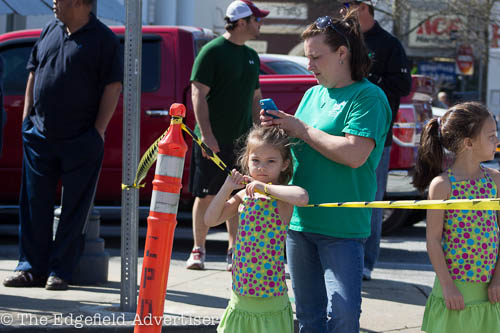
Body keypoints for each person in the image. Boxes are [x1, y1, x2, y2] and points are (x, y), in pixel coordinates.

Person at [261, 10, 391, 332]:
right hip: (300, 223)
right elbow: (300, 147)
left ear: (343, 53)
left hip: (343, 228)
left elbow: (355, 154)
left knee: (344, 317)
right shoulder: (312, 94)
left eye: (316, 57)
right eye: (308, 58)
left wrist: (301, 128)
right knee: (308, 318)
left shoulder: (368, 97)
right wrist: (278, 132)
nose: (309, 66)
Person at [2, 0, 122, 291]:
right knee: (33, 206)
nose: (54, 2)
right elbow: (34, 72)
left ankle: (60, 271)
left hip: (81, 139)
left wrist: (97, 131)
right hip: (39, 137)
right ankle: (30, 268)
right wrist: (27, 120)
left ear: (81, 3)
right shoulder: (49, 31)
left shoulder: (104, 39)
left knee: (74, 210)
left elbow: (113, 86)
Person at [186, 0, 269, 271]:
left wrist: (260, 135)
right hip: (213, 142)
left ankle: (234, 251)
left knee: (239, 194)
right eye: (257, 19)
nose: (260, 24)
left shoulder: (251, 56)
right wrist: (207, 136)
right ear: (242, 22)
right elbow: (198, 94)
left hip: (242, 143)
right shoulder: (212, 51)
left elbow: (255, 98)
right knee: (207, 195)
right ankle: (198, 249)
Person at [204, 125, 309, 333]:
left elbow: (302, 197)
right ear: (247, 161)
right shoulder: (244, 196)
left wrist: (264, 188)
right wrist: (227, 187)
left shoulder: (281, 196)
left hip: (270, 295)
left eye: (271, 161)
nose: (262, 167)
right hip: (241, 292)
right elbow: (210, 219)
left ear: (284, 164)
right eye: (256, 161)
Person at [412, 102, 500, 332]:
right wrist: (448, 286)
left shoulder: (496, 181)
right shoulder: (442, 185)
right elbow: (432, 240)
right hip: (454, 292)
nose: (497, 141)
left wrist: (498, 279)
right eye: (491, 136)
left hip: (491, 290)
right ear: (469, 143)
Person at [342, 0, 412, 281]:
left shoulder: (389, 44)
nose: (345, 9)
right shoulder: (342, 38)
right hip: (342, 135)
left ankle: (366, 263)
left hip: (375, 140)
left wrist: (370, 82)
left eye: (350, 4)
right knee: (343, 198)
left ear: (365, 7)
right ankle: (342, 258)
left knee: (371, 200)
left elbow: (403, 85)